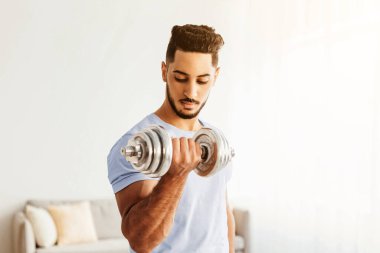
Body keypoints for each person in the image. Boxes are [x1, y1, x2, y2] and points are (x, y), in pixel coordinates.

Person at [107, 24, 234, 253]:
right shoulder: (135, 144)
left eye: (202, 80)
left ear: (215, 76)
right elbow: (142, 241)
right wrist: (175, 175)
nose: (191, 92)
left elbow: (223, 217)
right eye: (180, 78)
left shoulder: (215, 140)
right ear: (164, 71)